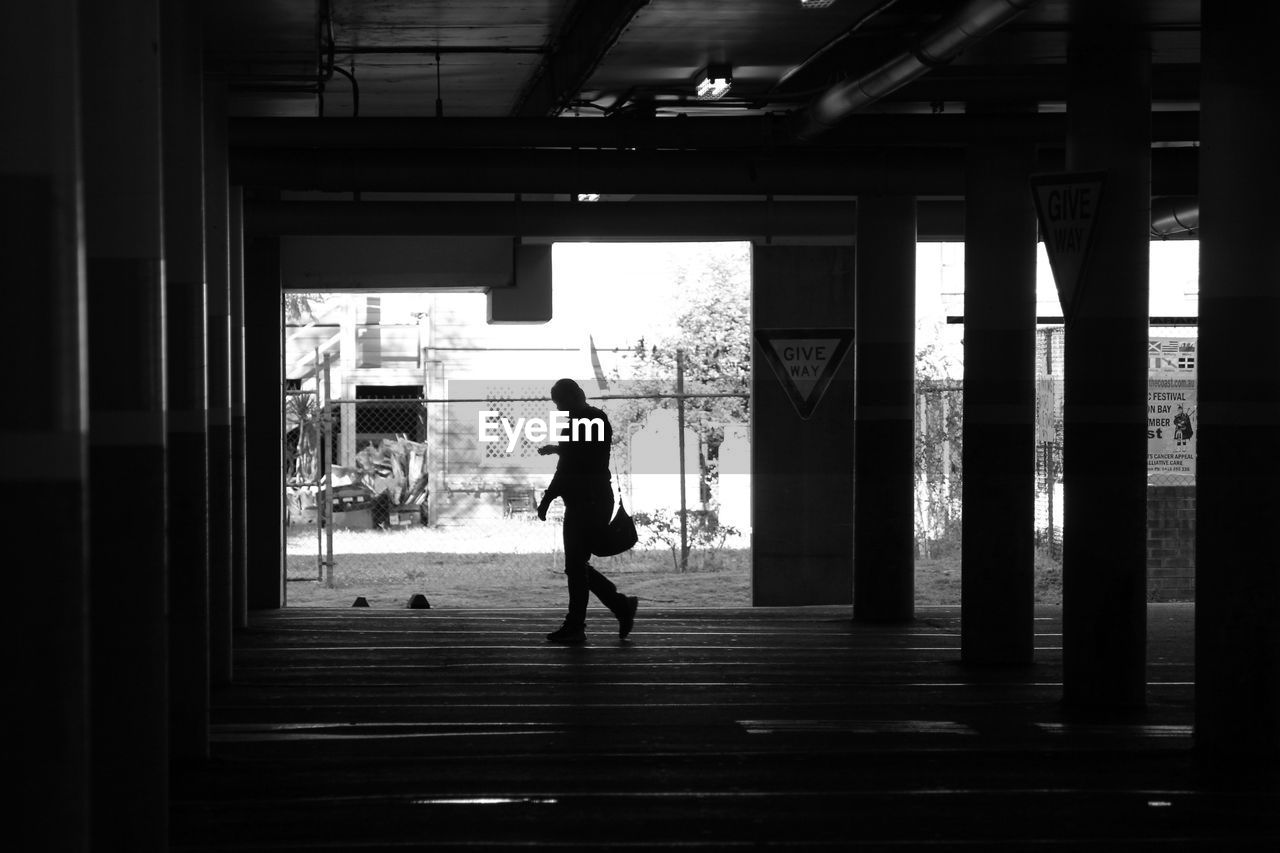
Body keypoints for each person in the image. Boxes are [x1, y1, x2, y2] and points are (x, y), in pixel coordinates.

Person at [536, 378, 638, 644]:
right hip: (594, 499)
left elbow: (570, 467)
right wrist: (559, 449)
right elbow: (585, 455)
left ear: (576, 396)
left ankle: (582, 622)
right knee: (577, 565)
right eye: (558, 404)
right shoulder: (593, 418)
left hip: (586, 502)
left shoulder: (581, 421)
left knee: (575, 565)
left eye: (562, 402)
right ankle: (614, 607)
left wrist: (547, 498)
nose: (560, 408)